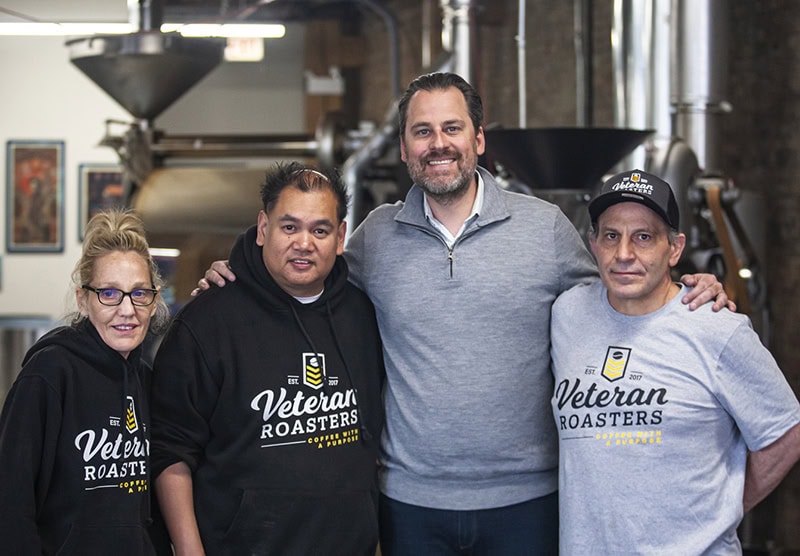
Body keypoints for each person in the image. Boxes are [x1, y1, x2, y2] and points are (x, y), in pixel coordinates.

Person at [197, 73, 729, 555]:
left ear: (478, 140)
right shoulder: (376, 237)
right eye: (421, 131)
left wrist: (683, 287)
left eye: (451, 127)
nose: (437, 144)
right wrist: (239, 271)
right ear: (405, 149)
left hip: (528, 502)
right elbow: (305, 274)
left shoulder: (543, 229)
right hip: (410, 504)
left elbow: (619, 291)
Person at [550, 169, 800, 554]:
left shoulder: (716, 327)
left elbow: (786, 432)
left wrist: (726, 508)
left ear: (676, 248)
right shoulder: (567, 314)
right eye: (611, 236)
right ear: (593, 243)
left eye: (644, 238)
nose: (624, 255)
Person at [150, 162, 385, 555]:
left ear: (341, 236)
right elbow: (170, 451)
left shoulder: (363, 315)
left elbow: (370, 450)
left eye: (320, 230)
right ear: (263, 228)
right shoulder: (208, 322)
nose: (304, 243)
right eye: (289, 227)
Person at [0, 209, 171, 555]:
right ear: (83, 299)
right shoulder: (48, 375)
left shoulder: (146, 380)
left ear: (155, 302)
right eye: (109, 293)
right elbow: (10, 503)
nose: (127, 310)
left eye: (139, 293)